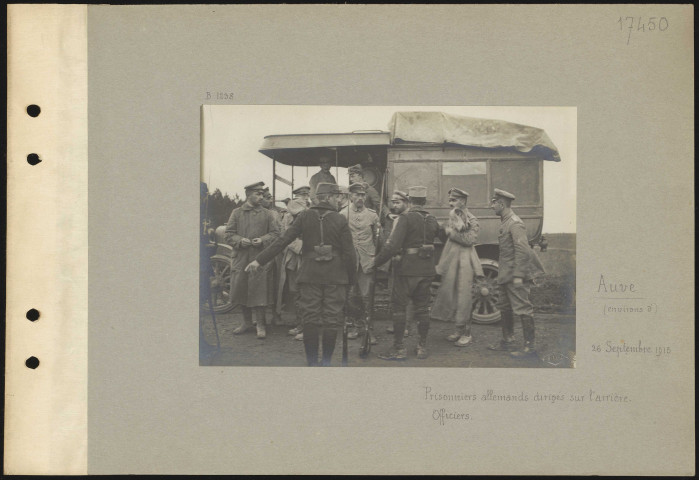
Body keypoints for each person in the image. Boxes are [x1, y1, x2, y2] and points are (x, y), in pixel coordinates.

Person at [246, 183, 356, 367]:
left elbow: (283, 241)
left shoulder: (304, 217)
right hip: (336, 277)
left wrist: (259, 260)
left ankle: (312, 363)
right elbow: (349, 254)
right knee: (331, 319)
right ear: (327, 197)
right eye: (336, 196)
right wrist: (350, 279)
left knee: (310, 319)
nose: (338, 199)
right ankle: (327, 362)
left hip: (309, 275)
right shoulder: (340, 219)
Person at [372, 186, 439, 360]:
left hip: (406, 270)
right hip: (426, 270)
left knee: (399, 308)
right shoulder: (432, 219)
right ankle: (421, 347)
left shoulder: (405, 218)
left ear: (410, 201)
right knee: (423, 309)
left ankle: (399, 348)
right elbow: (442, 237)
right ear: (424, 201)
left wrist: (375, 262)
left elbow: (392, 246)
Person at [487, 188, 545, 358]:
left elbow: (523, 251)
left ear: (501, 204)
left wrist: (519, 275)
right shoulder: (505, 222)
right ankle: (508, 341)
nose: (491, 206)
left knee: (523, 309)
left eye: (493, 203)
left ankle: (529, 348)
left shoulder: (514, 223)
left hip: (515, 276)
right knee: (504, 308)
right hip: (506, 274)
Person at [225, 181, 280, 339]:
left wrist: (262, 240)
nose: (261, 196)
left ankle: (261, 324)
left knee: (259, 291)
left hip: (259, 259)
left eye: (262, 194)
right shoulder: (236, 213)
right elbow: (229, 234)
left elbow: (276, 234)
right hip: (241, 258)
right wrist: (240, 240)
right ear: (248, 195)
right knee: (241, 289)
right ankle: (246, 322)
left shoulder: (268, 214)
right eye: (258, 193)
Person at [430, 188, 484, 347]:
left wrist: (450, 232)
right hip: (453, 260)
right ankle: (458, 330)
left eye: (454, 200)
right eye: (450, 200)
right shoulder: (453, 216)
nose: (450, 203)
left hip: (465, 261)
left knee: (464, 296)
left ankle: (467, 333)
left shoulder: (472, 220)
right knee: (452, 293)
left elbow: (469, 240)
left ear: (463, 201)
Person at [342, 182, 381, 344]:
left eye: (362, 195)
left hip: (367, 261)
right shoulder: (343, 214)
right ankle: (354, 326)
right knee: (351, 296)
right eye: (357, 195)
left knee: (367, 296)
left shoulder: (372, 215)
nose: (360, 198)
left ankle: (368, 330)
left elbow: (379, 239)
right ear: (350, 196)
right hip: (350, 262)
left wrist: (376, 259)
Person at [278, 196, 308, 341]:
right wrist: (299, 247)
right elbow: (285, 237)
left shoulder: (313, 218)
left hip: (307, 261)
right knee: (295, 292)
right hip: (292, 260)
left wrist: (304, 247)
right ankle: (300, 323)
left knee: (307, 294)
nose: (297, 216)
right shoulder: (287, 219)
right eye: (295, 213)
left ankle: (307, 327)